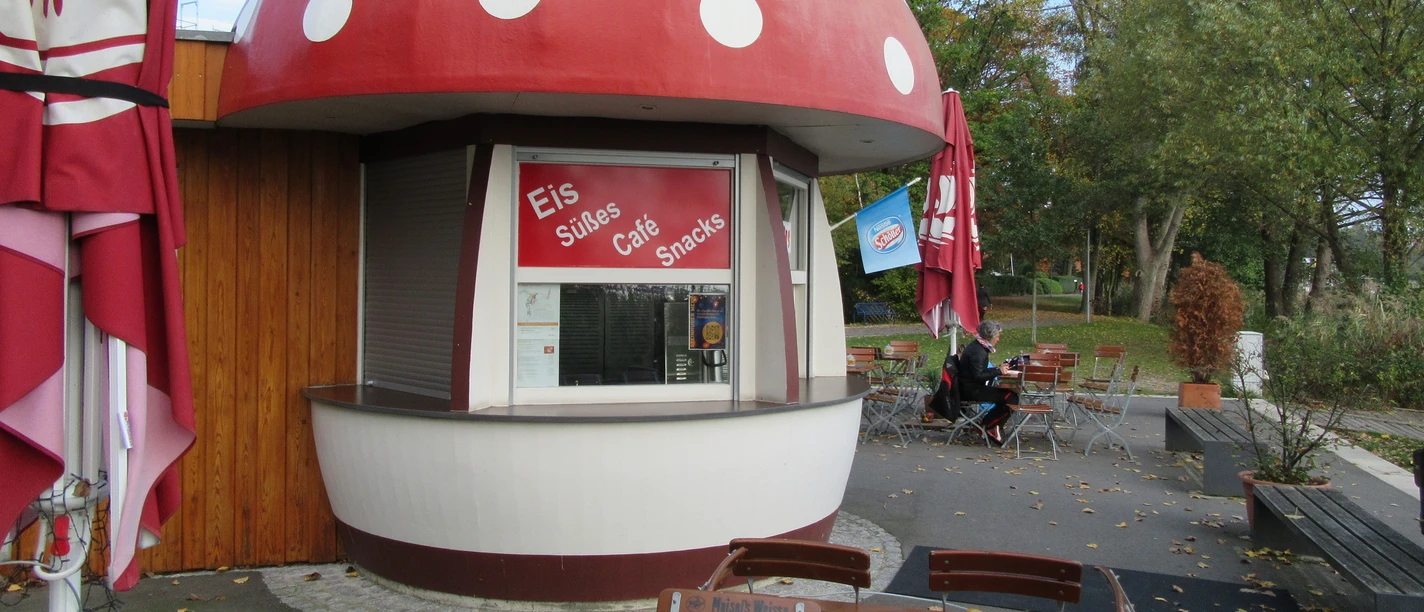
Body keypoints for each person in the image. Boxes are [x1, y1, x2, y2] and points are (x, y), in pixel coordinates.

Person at [958, 320, 1019, 446]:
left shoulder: (978, 347)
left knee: (1009, 395)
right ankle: (988, 425)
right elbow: (979, 376)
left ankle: (991, 425)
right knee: (1012, 397)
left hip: (970, 387)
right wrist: (998, 371)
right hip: (971, 390)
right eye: (997, 336)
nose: (998, 339)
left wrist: (998, 369)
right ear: (989, 337)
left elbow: (979, 371)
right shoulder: (978, 352)